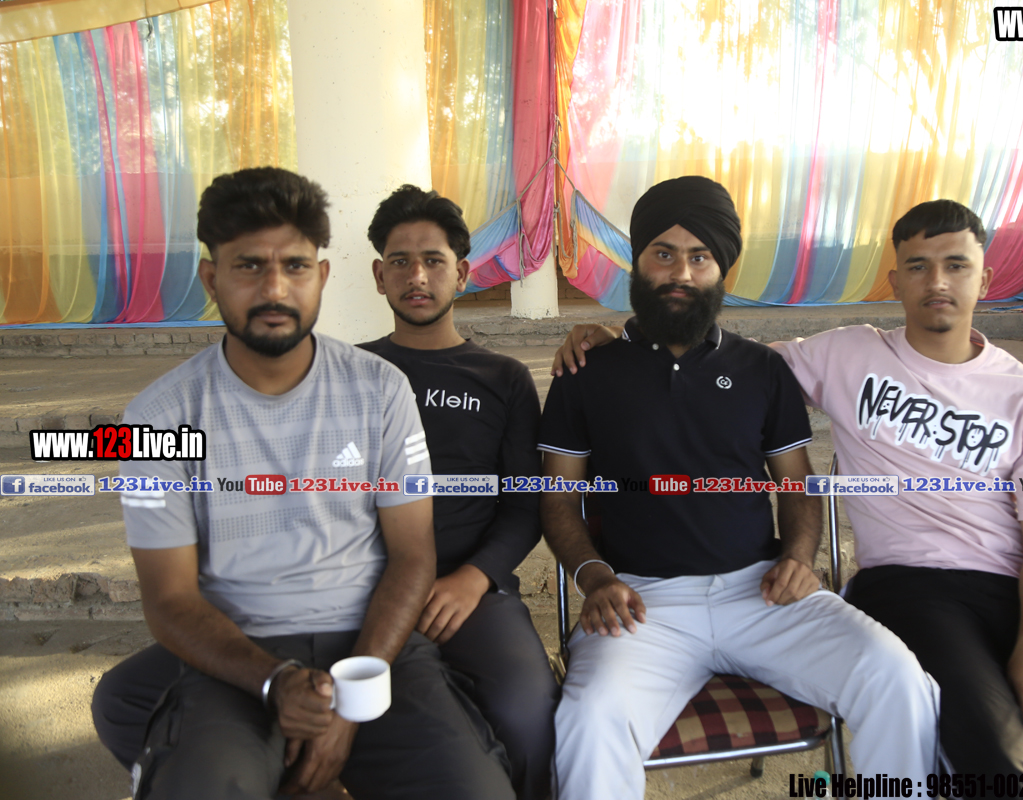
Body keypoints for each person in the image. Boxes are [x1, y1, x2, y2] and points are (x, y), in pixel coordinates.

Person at [555, 198, 1023, 782]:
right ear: (896, 281)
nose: (938, 282)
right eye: (919, 266)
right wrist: (615, 345)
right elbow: (702, 357)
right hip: (902, 590)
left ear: (986, 280)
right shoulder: (845, 355)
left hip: (983, 589)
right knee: (993, 757)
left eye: (956, 265)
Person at [90, 167, 514, 800]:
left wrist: (350, 700)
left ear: (321, 275)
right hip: (234, 655)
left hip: (374, 644)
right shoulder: (156, 418)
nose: (273, 288)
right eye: (248, 266)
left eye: (294, 266)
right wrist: (275, 682)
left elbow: (412, 556)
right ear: (211, 279)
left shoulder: (380, 390)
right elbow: (170, 600)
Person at [540, 175, 940, 800]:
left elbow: (796, 486)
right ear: (637, 263)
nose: (681, 272)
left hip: (763, 594)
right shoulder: (586, 371)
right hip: (641, 603)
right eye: (663, 253)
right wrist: (594, 578)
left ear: (721, 270)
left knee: (897, 678)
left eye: (700, 257)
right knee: (590, 722)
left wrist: (799, 558)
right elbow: (558, 498)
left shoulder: (762, 369)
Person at [357, 185, 557, 800]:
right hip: (364, 593)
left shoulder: (503, 378)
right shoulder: (348, 374)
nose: (416, 276)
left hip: (473, 591)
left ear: (463, 274)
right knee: (368, 724)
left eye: (433, 260)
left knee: (527, 713)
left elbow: (524, 505)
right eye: (399, 261)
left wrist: (473, 579)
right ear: (379, 277)